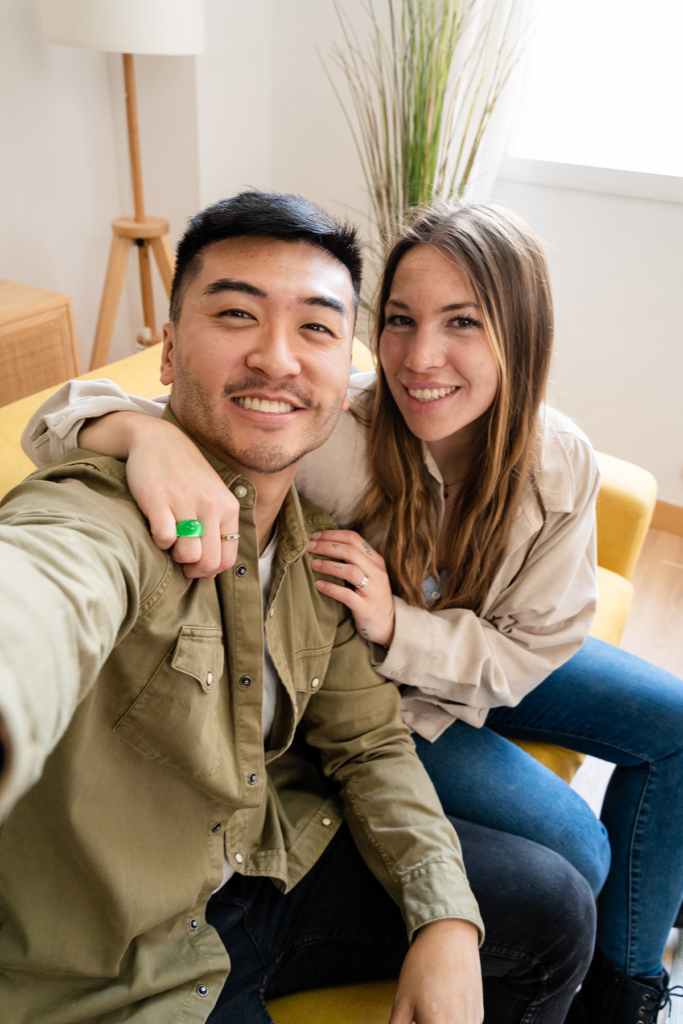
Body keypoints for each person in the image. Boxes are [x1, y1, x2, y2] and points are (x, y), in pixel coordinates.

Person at [26, 197, 683, 1024]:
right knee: (577, 851)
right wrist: (139, 434)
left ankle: (625, 987)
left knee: (675, 722)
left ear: (522, 336)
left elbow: (534, 649)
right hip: (383, 691)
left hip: (464, 655)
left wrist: (399, 624)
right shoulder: (332, 432)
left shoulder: (557, 462)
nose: (420, 358)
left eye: (463, 323)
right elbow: (79, 452)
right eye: (400, 321)